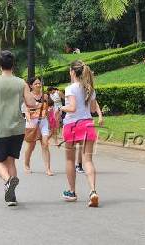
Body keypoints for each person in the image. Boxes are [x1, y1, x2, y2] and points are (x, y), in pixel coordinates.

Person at [0, 50, 38, 206]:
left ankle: (8, 181)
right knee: (10, 161)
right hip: (17, 129)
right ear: (13, 64)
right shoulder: (21, 83)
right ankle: (11, 197)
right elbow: (32, 104)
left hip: (0, 128)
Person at [59, 60, 100, 207]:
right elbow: (94, 109)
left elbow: (72, 108)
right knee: (87, 160)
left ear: (72, 72)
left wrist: (61, 108)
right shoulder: (90, 88)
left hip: (71, 125)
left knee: (70, 160)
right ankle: (93, 191)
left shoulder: (70, 88)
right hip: (87, 125)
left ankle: (72, 192)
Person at [23, 77, 54, 176]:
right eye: (36, 84)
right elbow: (25, 109)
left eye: (39, 83)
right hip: (32, 122)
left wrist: (51, 124)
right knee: (31, 146)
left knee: (45, 144)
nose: (38, 85)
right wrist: (28, 118)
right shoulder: (28, 96)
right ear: (31, 86)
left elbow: (49, 109)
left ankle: (48, 168)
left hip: (43, 121)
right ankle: (26, 165)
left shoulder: (45, 96)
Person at [75, 101, 104, 174]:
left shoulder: (89, 93)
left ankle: (81, 164)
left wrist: (100, 116)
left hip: (87, 121)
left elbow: (96, 104)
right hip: (76, 121)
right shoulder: (74, 91)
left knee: (85, 143)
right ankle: (78, 164)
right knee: (81, 144)